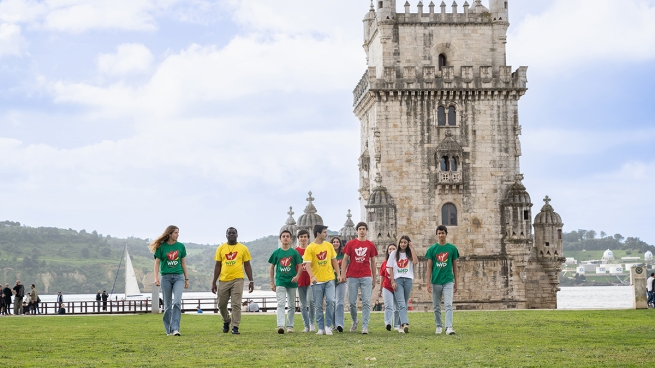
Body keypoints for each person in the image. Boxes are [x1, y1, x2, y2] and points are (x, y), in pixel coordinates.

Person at [212, 227, 254, 335]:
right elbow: (217, 265)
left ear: (237, 234)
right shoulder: (221, 248)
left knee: (236, 304)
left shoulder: (243, 248)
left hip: (238, 279)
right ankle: (226, 320)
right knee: (221, 304)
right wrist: (214, 282)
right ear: (226, 235)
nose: (231, 235)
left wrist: (251, 281)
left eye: (233, 233)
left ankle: (235, 326)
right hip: (223, 280)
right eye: (229, 233)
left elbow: (247, 265)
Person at [149, 225, 189, 336]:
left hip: (179, 277)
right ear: (170, 234)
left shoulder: (181, 246)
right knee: (167, 306)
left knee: (177, 302)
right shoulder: (161, 247)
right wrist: (156, 278)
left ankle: (175, 328)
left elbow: (184, 263)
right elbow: (157, 263)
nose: (177, 235)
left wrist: (186, 278)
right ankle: (169, 330)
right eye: (175, 232)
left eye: (178, 232)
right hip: (165, 278)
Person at [341, 222, 378, 334]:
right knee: (352, 302)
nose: (362, 231)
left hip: (366, 276)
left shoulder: (370, 245)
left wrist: (374, 277)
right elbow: (345, 259)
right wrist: (343, 274)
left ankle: (365, 326)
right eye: (360, 229)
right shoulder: (351, 244)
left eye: (363, 229)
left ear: (366, 230)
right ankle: (355, 320)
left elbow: (373, 262)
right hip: (352, 276)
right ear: (357, 231)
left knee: (366, 302)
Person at [303, 225, 340, 335]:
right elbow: (307, 265)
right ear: (318, 234)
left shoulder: (329, 246)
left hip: (329, 279)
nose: (326, 234)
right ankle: (320, 327)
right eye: (324, 232)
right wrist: (312, 276)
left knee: (331, 301)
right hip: (317, 281)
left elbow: (334, 261)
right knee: (318, 305)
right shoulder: (310, 248)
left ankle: (328, 325)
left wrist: (338, 274)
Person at [426, 225, 460, 335]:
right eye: (439, 233)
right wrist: (428, 283)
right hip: (436, 281)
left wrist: (456, 282)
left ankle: (449, 327)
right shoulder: (432, 249)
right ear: (437, 235)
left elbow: (455, 267)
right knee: (436, 306)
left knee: (448, 304)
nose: (441, 235)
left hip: (448, 280)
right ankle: (439, 326)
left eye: (443, 233)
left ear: (446, 234)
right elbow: (429, 267)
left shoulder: (452, 249)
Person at [268, 230, 303, 334]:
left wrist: (297, 276)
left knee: (292, 305)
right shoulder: (276, 252)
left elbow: (300, 266)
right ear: (280, 238)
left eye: (288, 236)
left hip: (292, 282)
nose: (286, 238)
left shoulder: (294, 252)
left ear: (291, 239)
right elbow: (271, 267)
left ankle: (290, 326)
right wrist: (272, 282)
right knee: (281, 303)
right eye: (283, 236)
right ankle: (280, 325)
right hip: (280, 281)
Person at [387, 235, 418, 333]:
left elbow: (416, 261)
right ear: (399, 243)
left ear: (408, 243)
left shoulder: (409, 254)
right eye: (401, 242)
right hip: (398, 280)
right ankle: (405, 323)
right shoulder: (394, 254)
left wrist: (412, 248)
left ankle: (400, 326)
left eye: (405, 242)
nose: (403, 244)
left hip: (408, 279)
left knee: (404, 303)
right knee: (401, 303)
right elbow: (390, 268)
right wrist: (392, 281)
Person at [295, 229, 316, 332]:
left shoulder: (312, 249)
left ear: (308, 238)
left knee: (311, 301)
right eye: (301, 237)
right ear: (298, 238)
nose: (303, 239)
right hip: (300, 280)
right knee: (303, 305)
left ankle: (312, 323)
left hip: (311, 280)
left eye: (305, 237)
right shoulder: (295, 251)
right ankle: (306, 325)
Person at [379, 243, 400, 332]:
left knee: (397, 307)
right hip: (386, 286)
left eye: (393, 249)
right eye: (389, 249)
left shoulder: (400, 262)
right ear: (387, 251)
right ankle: (388, 323)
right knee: (388, 306)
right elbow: (382, 276)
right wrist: (380, 289)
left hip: (397, 287)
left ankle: (396, 325)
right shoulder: (384, 263)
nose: (391, 250)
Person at [330, 236, 346, 332]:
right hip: (331, 280)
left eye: (337, 242)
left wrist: (344, 275)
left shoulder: (343, 255)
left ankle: (339, 324)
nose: (336, 243)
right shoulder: (329, 255)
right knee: (332, 302)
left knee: (339, 303)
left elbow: (347, 266)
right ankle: (334, 324)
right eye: (334, 242)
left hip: (341, 281)